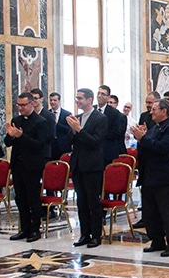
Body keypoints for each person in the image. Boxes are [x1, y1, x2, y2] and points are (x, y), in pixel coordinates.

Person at [131, 98, 169, 257]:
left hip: (165, 177)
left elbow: (162, 148)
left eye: (154, 109)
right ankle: (157, 240)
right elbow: (146, 149)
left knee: (168, 213)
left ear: (164, 111)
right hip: (149, 177)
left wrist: (143, 138)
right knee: (151, 213)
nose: (151, 112)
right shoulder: (154, 128)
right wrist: (141, 138)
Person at [5, 92, 51, 243]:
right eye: (18, 105)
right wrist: (11, 135)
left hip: (32, 166)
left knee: (32, 198)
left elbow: (39, 144)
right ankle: (24, 228)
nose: (20, 108)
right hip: (18, 165)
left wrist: (21, 136)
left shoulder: (41, 122)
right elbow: (8, 142)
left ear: (32, 104)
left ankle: (35, 229)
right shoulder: (16, 120)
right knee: (20, 198)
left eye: (23, 105)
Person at [67, 88, 108, 248]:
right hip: (78, 164)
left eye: (80, 98)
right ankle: (84, 234)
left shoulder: (100, 118)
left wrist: (79, 130)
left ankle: (96, 235)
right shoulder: (77, 117)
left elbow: (95, 142)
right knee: (81, 202)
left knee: (93, 202)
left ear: (89, 100)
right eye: (76, 98)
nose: (77, 101)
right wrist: (72, 130)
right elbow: (70, 141)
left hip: (92, 165)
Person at [97, 84, 127, 164]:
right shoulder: (92, 109)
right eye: (98, 93)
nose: (100, 96)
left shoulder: (114, 113)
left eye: (103, 94)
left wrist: (98, 135)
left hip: (107, 151)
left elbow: (116, 132)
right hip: (93, 152)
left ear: (108, 97)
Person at [48, 92, 72, 159]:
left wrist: (57, 124)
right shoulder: (47, 114)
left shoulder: (67, 114)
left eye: (55, 100)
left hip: (63, 145)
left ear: (59, 101)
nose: (52, 102)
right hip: (51, 146)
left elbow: (68, 129)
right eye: (51, 100)